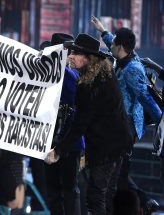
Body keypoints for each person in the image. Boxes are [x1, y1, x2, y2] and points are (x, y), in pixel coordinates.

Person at [45, 34, 133, 215]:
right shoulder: (103, 74)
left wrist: (58, 151)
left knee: (96, 197)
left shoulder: (90, 85)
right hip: (117, 144)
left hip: (107, 147)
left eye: (75, 53)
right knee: (105, 195)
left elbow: (80, 124)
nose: (70, 55)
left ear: (87, 57)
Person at [91, 15, 162, 213]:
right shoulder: (125, 56)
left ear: (121, 47)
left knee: (117, 175)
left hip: (126, 128)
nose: (110, 45)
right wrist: (102, 30)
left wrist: (161, 122)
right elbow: (112, 40)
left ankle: (142, 203)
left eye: (113, 43)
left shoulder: (133, 68)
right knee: (117, 174)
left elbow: (146, 98)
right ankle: (143, 202)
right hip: (118, 125)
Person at [41, 33, 84, 215]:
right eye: (70, 51)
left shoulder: (71, 74)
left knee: (67, 189)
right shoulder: (48, 72)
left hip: (69, 142)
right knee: (54, 190)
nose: (72, 55)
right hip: (49, 139)